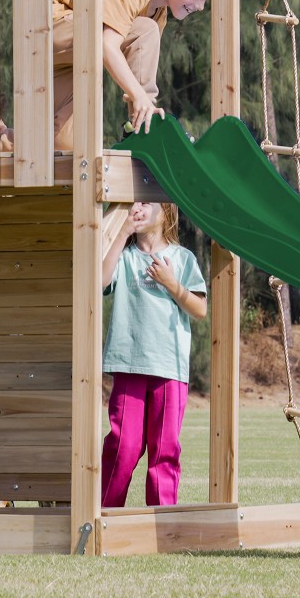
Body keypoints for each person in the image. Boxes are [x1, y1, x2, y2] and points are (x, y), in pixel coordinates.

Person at [51, 0, 227, 152]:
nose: (200, 6)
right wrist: (140, 97)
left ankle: (1, 141)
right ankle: (145, 124)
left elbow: (137, 66)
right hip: (50, 30)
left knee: (65, 145)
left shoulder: (158, 13)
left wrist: (137, 97)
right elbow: (107, 46)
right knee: (145, 29)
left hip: (71, 59)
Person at [99, 200, 208, 508]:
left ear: (166, 211)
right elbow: (100, 280)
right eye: (134, 202)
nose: (139, 206)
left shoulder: (182, 258)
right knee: (123, 445)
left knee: (164, 450)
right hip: (128, 364)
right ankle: (105, 515)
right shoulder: (124, 256)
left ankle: (163, 520)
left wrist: (172, 284)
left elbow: (199, 309)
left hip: (169, 368)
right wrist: (121, 232)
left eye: (147, 201)